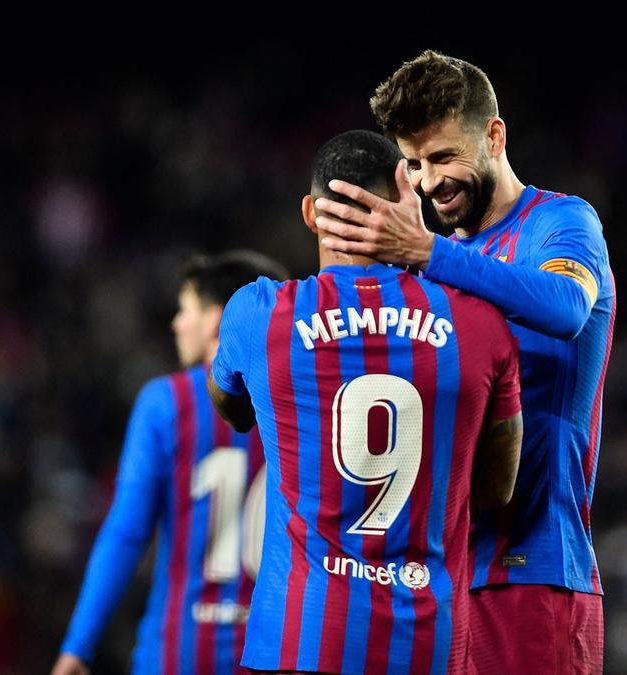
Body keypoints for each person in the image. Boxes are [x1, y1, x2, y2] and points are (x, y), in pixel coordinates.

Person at [312, 51, 615, 674]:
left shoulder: (560, 223)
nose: (428, 182)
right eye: (416, 164)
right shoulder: (440, 260)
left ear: (494, 136)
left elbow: (565, 308)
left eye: (445, 157)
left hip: (533, 572)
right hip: (442, 579)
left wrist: (425, 254)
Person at [209, 129, 523, 674]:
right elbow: (498, 488)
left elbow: (230, 406)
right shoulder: (479, 323)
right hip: (428, 642)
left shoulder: (257, 316)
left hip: (302, 639)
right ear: (407, 198)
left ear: (311, 212)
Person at [53, 251, 288, 675]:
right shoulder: (304, 403)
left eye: (186, 310)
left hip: (181, 652)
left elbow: (126, 531)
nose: (176, 323)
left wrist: (78, 646)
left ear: (217, 320)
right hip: (277, 654)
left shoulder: (167, 403)